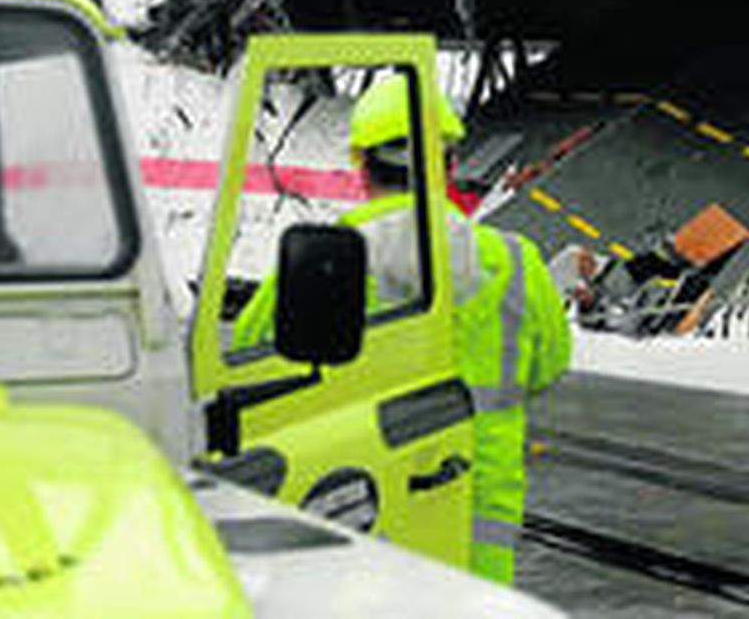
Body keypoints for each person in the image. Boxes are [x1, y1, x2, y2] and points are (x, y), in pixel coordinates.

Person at [231, 74, 571, 584]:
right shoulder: (517, 263)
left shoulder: (325, 257)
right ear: (449, 166)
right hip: (477, 525)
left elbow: (249, 357)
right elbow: (549, 366)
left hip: (364, 513)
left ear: (361, 167)